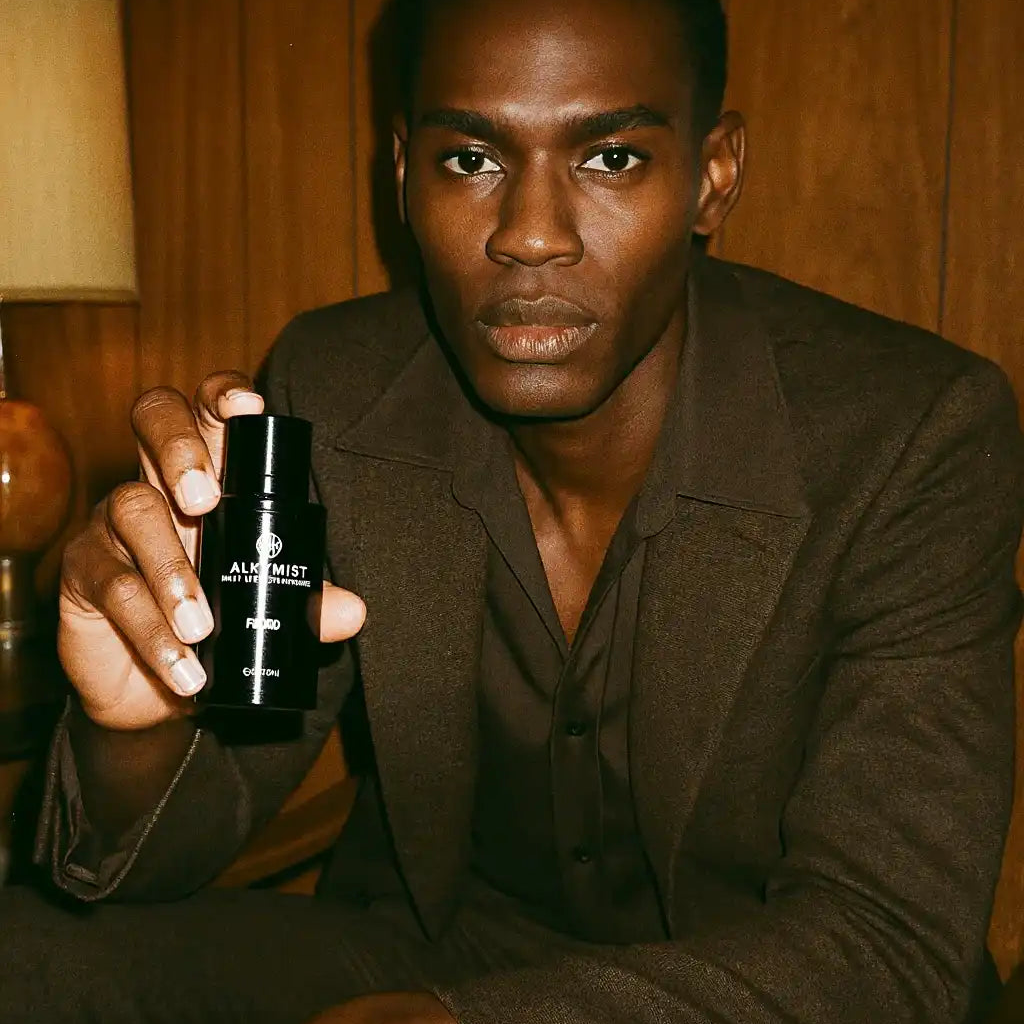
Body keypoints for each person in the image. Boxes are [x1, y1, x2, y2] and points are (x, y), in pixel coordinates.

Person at [1, 0, 1020, 1021]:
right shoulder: (337, 388)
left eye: (611, 158)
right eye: (470, 160)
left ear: (713, 176)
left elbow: (887, 946)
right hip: (433, 947)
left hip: (768, 987)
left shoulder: (911, 433)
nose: (529, 236)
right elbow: (167, 841)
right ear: (402, 173)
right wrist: (143, 717)